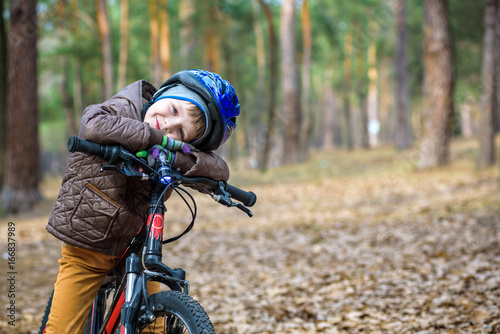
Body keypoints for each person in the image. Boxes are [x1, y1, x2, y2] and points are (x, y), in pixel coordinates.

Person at [43, 69, 240, 333]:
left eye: (180, 132)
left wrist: (172, 155)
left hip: (135, 247)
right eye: (173, 110)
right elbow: (93, 125)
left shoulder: (171, 149)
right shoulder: (124, 107)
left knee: (153, 326)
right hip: (88, 244)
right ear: (164, 94)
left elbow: (219, 170)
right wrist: (162, 143)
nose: (168, 124)